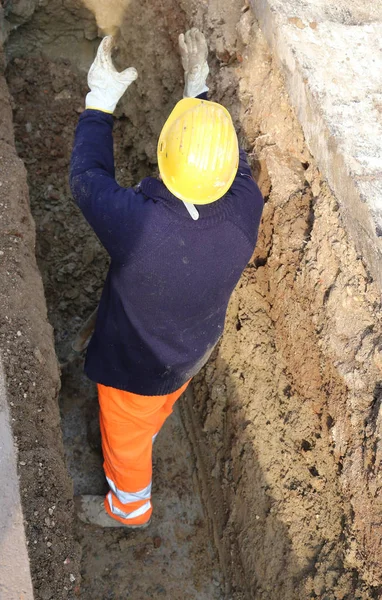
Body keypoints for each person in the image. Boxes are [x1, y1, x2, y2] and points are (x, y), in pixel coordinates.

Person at [70, 29, 264, 528]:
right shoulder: (245, 206)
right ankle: (153, 425)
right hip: (191, 349)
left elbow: (87, 179)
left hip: (135, 367)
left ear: (162, 153)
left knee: (127, 438)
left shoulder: (136, 223)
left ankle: (128, 507)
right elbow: (232, 163)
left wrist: (99, 103)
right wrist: (197, 88)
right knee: (156, 408)